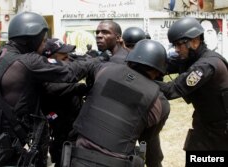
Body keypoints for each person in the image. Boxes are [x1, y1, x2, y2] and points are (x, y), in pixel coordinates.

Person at [0, 11, 106, 167]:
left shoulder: (0, 56)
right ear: (31, 39)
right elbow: (70, 72)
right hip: (5, 156)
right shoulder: (28, 62)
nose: (45, 45)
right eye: (43, 40)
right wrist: (96, 61)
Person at [62, 39, 170, 167]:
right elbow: (146, 140)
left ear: (130, 60)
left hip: (78, 158)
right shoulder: (159, 102)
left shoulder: (104, 70)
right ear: (158, 72)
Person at [157, 17, 228, 151]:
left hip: (220, 132)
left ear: (195, 41)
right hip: (205, 123)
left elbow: (172, 90)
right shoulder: (191, 58)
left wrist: (140, 82)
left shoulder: (205, 65)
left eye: (179, 44)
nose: (176, 49)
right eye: (174, 45)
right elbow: (164, 66)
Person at [41, 38, 87, 167]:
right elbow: (54, 89)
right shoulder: (46, 78)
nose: (69, 59)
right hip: (62, 136)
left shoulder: (64, 68)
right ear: (51, 59)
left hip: (77, 133)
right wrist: (83, 88)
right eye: (64, 57)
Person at [122, 26, 165, 167]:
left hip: (146, 115)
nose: (132, 50)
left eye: (134, 46)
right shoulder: (121, 60)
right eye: (129, 46)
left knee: (151, 152)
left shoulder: (152, 59)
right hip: (126, 119)